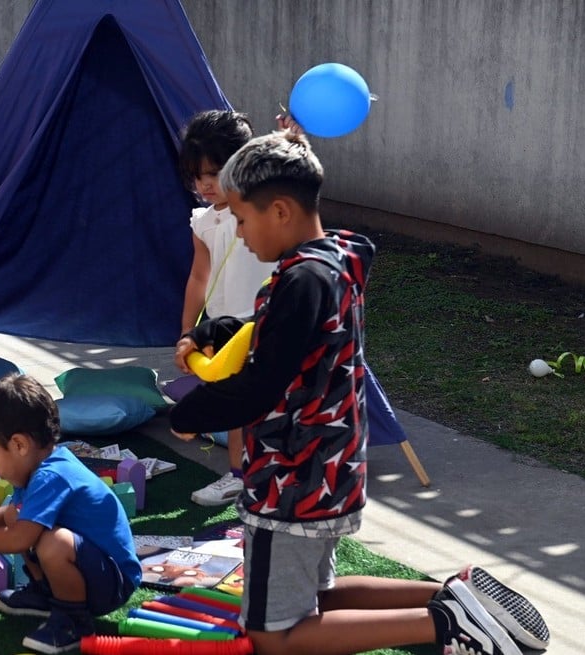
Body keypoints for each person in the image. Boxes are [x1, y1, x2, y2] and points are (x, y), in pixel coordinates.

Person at [169, 130, 549, 655]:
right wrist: (220, 330)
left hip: (292, 477)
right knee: (315, 601)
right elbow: (280, 330)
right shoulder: (335, 259)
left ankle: (448, 624)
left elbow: (260, 385)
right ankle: (454, 594)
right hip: (330, 466)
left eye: (241, 217)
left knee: (272, 636)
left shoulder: (301, 281)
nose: (238, 231)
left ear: (279, 211)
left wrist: (189, 410)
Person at [0, 374, 142, 655]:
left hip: (112, 581)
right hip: (91, 568)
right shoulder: (35, 468)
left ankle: (74, 622)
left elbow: (20, 539)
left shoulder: (52, 474)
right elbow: (15, 513)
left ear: (19, 445)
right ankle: (47, 595)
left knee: (47, 541)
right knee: (20, 519)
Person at [176, 109, 278, 508]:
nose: (204, 185)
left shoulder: (261, 203)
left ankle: (272, 478)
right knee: (238, 406)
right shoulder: (202, 222)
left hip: (268, 323)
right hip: (224, 331)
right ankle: (238, 476)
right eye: (197, 177)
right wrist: (188, 331)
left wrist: (286, 140)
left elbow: (285, 175)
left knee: (272, 406)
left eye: (213, 174)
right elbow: (198, 278)